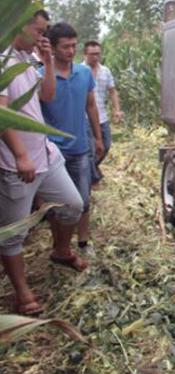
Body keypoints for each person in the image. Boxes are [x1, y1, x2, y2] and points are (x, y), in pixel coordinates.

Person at [0, 11, 87, 316]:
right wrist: (20, 154)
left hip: (45, 156)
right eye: (38, 32)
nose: (42, 38)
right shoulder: (3, 62)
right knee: (13, 233)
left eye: (45, 33)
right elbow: (1, 112)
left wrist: (48, 61)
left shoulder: (26, 62)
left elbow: (47, 96)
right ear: (17, 24)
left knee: (73, 204)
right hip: (16, 164)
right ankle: (22, 292)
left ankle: (61, 251)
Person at [40, 22, 104, 252]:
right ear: (53, 48)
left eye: (73, 46)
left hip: (79, 148)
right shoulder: (41, 76)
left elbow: (91, 106)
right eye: (65, 46)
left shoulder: (84, 73)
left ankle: (83, 240)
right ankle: (59, 244)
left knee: (84, 199)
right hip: (51, 151)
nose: (70, 51)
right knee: (56, 205)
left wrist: (97, 137)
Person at [82, 40, 123, 187]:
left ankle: (91, 169)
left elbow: (112, 91)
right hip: (84, 117)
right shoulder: (78, 71)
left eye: (98, 54)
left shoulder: (105, 71)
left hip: (102, 116)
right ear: (85, 54)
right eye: (92, 54)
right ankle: (93, 178)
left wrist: (117, 109)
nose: (95, 57)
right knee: (91, 149)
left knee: (105, 145)